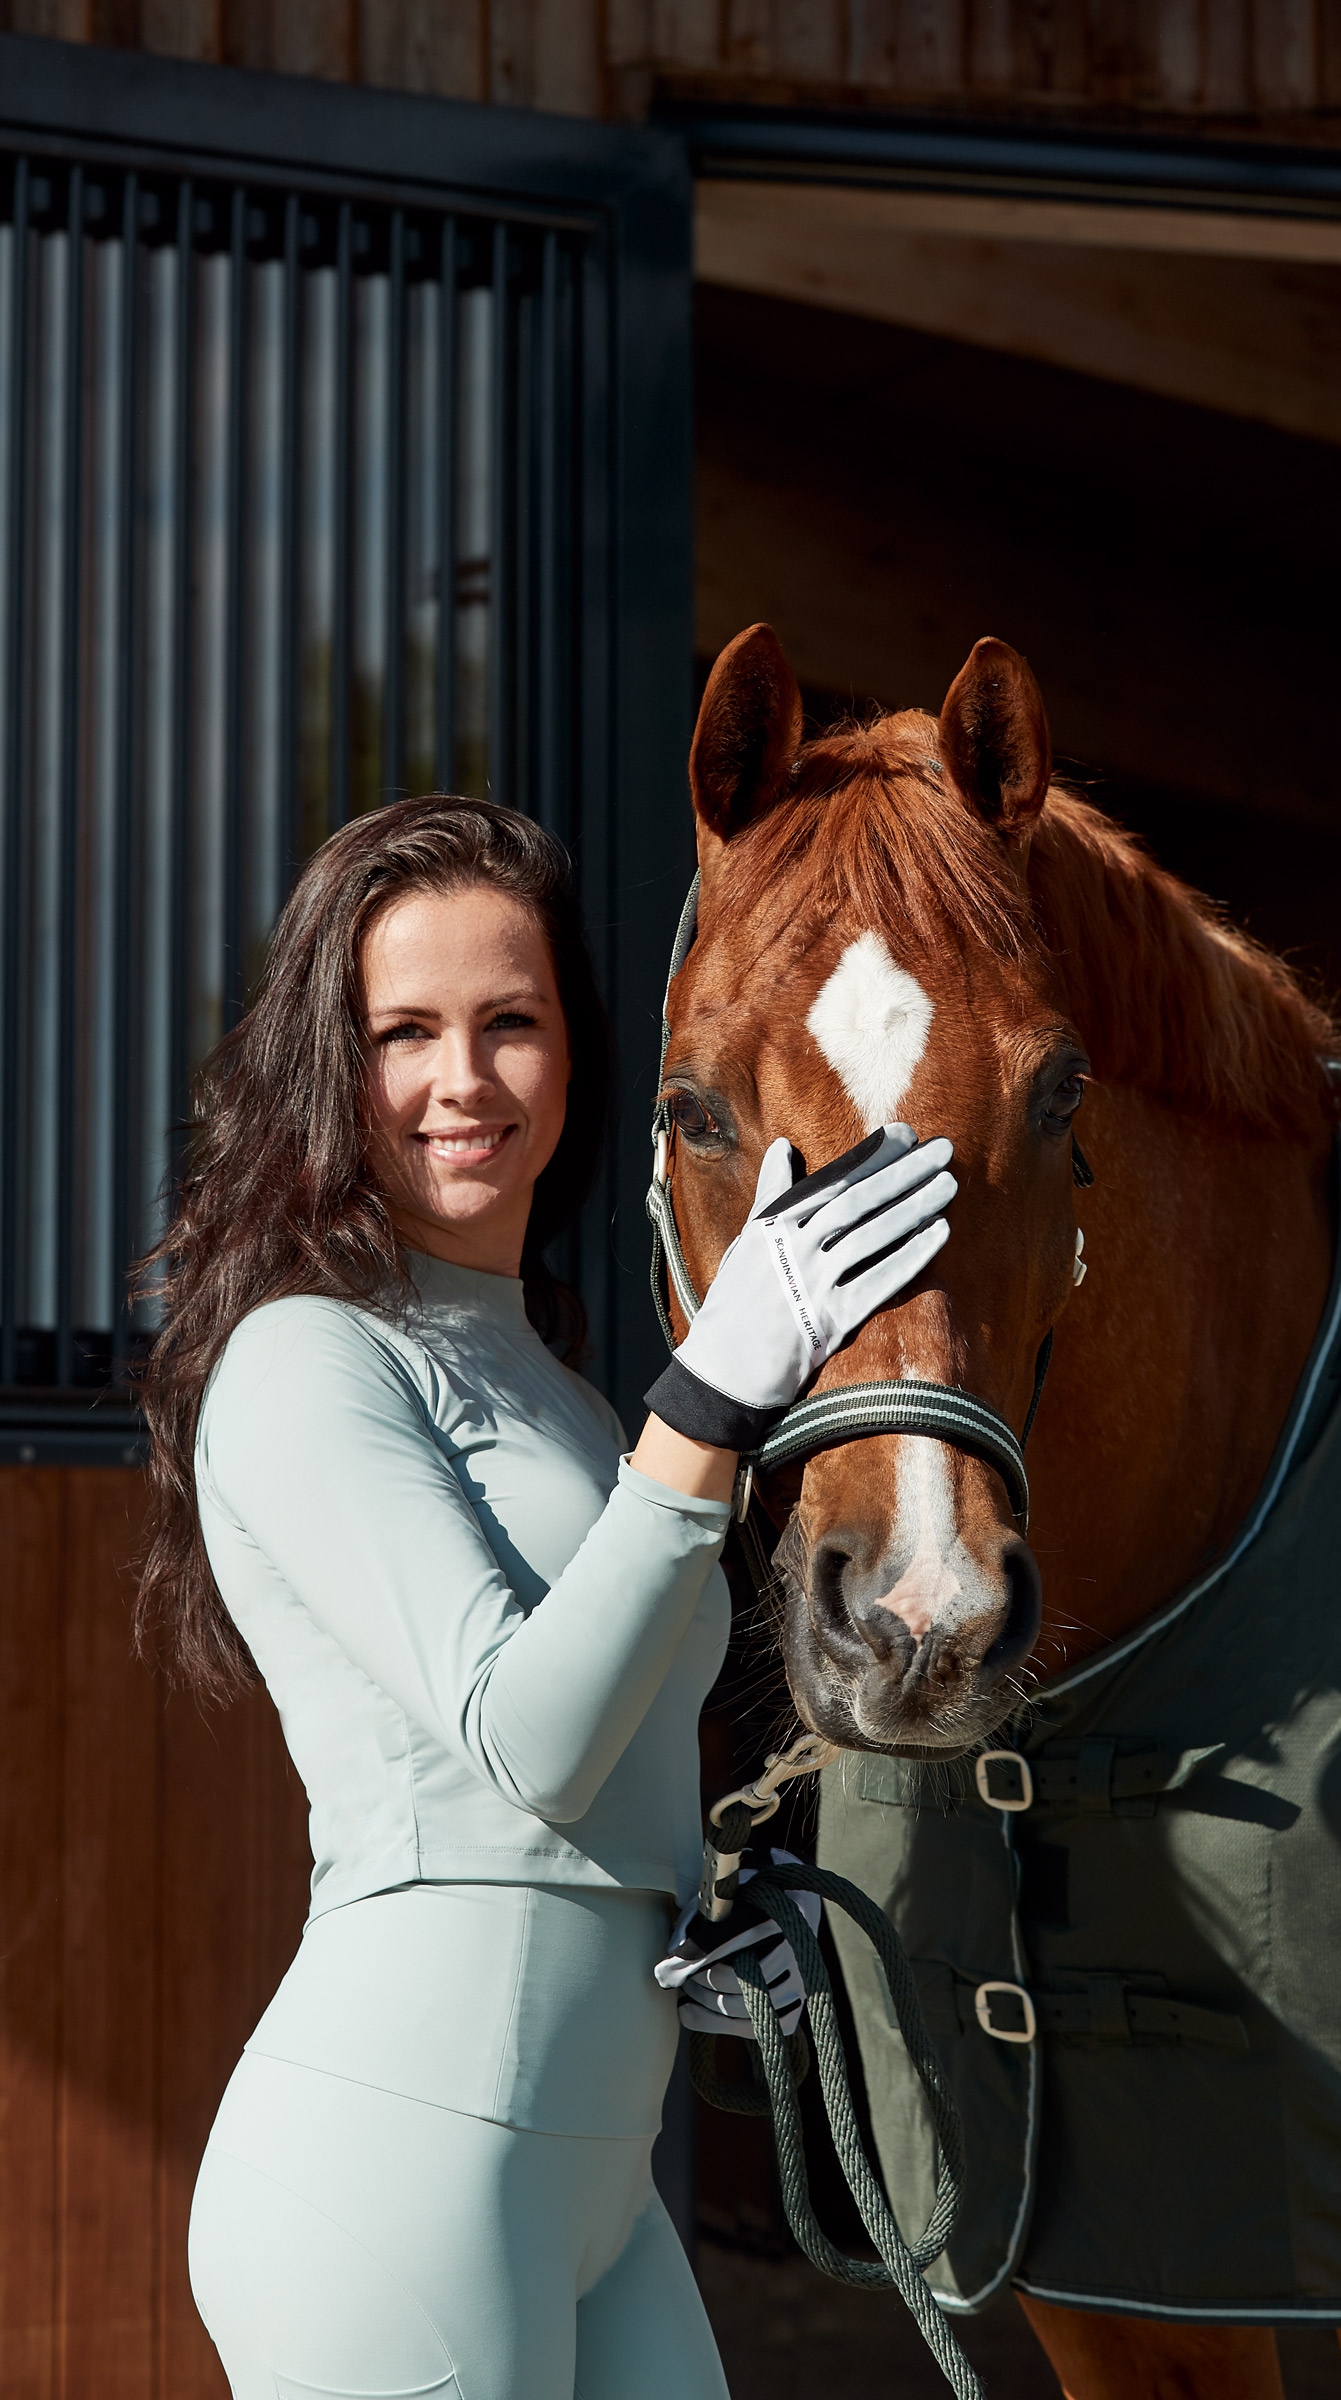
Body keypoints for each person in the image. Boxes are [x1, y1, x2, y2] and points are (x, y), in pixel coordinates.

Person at [133, 795, 955, 2400]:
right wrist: (712, 1398)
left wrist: (697, 1895)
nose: (462, 1080)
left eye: (510, 1022)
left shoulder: (567, 1398)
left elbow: (610, 1745)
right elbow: (526, 1739)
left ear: (574, 1056)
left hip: (592, 2179)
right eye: (404, 1032)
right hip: (397, 2166)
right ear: (330, 1062)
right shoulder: (309, 1358)